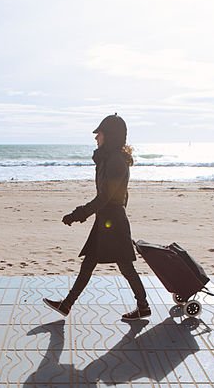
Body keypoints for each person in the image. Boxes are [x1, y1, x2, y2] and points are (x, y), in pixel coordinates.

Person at [43, 113, 151, 321]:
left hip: (113, 222)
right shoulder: (109, 159)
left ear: (109, 135)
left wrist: (78, 214)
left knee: (123, 266)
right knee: (94, 263)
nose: (96, 138)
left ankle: (143, 305)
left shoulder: (116, 162)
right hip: (108, 220)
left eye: (99, 133)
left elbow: (104, 197)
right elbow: (120, 194)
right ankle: (67, 305)